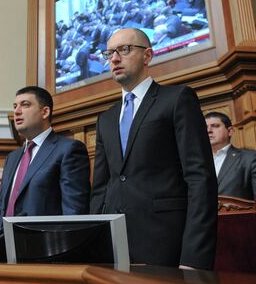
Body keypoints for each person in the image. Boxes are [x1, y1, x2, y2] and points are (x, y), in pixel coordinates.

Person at [90, 28, 217, 269]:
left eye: (124, 50)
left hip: (167, 245)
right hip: (113, 250)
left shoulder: (177, 99)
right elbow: (100, 189)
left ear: (147, 56)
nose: (114, 58)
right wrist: (95, 246)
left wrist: (194, 257)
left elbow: (200, 179)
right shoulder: (105, 119)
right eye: (109, 53)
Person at [0, 86, 91, 261]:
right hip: (4, 251)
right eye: (14, 106)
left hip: (45, 254)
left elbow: (74, 213)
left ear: (45, 111)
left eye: (25, 105)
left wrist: (64, 258)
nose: (16, 111)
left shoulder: (68, 149)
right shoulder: (12, 157)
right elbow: (3, 208)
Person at [205, 112, 256, 236]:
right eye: (205, 127)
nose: (208, 130)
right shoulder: (195, 163)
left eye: (215, 126)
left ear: (230, 131)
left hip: (240, 233)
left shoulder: (249, 158)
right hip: (204, 235)